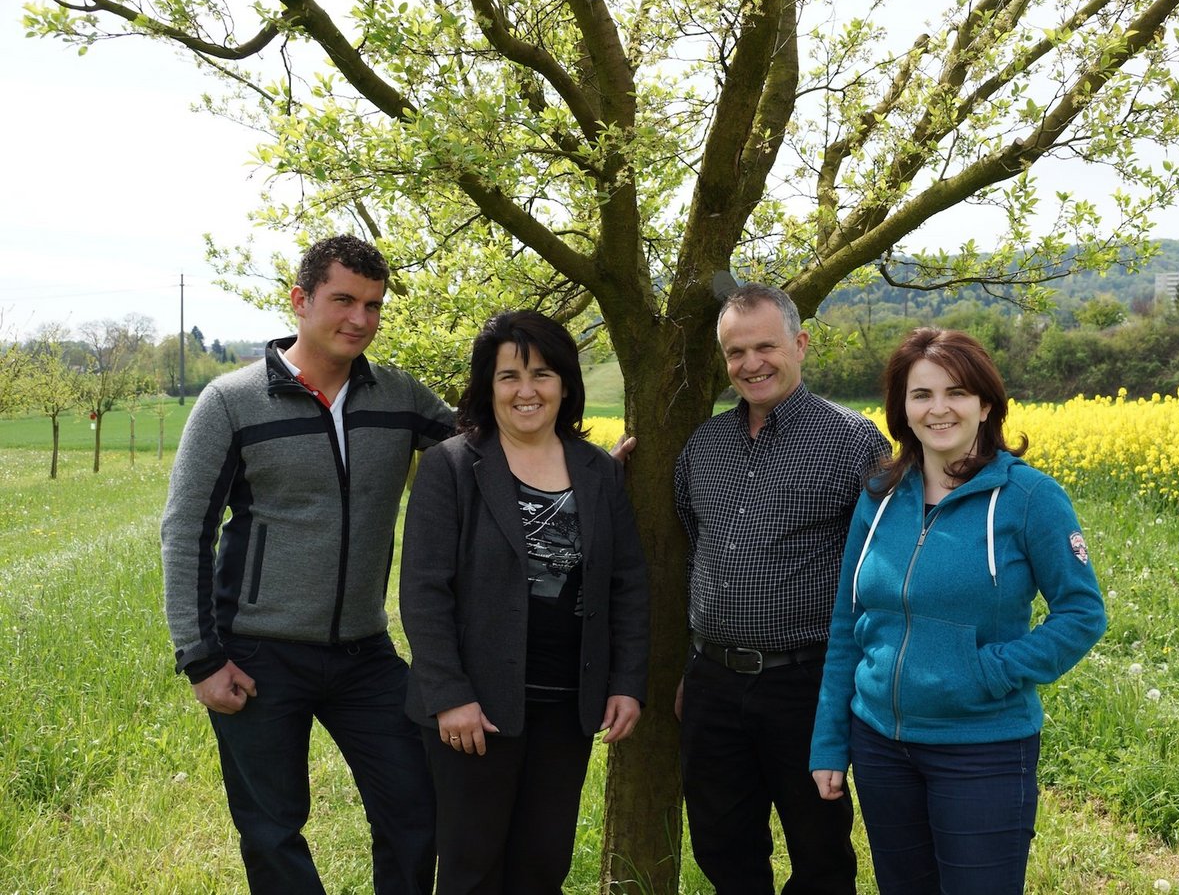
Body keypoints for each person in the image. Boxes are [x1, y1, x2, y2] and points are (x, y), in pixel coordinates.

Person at [161, 235, 456, 893]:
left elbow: (487, 453)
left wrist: (584, 464)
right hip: (258, 654)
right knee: (272, 831)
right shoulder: (231, 403)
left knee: (418, 810)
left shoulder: (400, 396)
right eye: (343, 300)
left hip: (365, 653)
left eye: (374, 305)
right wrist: (200, 657)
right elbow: (185, 530)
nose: (360, 319)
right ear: (300, 300)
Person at [809, 328, 1108, 895]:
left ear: (985, 404)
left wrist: (987, 670)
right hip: (880, 746)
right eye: (921, 394)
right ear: (901, 407)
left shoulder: (1029, 498)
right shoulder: (878, 496)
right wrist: (830, 741)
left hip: (982, 750)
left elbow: (1082, 613)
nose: (939, 409)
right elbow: (849, 624)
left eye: (957, 393)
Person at [398, 310, 649, 894]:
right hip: (474, 713)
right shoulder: (450, 467)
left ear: (565, 383)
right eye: (509, 376)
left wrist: (626, 681)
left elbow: (628, 585)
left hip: (567, 706)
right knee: (471, 870)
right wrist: (450, 696)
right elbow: (423, 592)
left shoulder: (599, 473)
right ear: (488, 387)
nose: (526, 390)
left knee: (542, 866)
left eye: (541, 374)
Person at [673, 283, 890, 895]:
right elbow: (695, 544)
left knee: (819, 848)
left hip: (808, 681)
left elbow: (879, 569)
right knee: (721, 844)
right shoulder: (704, 445)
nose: (750, 364)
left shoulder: (854, 442)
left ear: (799, 343)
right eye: (735, 353)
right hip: (713, 682)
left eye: (764, 346)